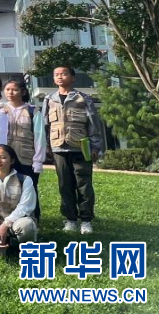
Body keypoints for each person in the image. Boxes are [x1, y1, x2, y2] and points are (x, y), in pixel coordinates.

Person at [43, 65, 105, 234]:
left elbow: (93, 125)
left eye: (63, 74)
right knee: (65, 185)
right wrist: (47, 147)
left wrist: (95, 147)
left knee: (84, 185)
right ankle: (70, 219)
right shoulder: (49, 99)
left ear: (73, 77)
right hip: (58, 148)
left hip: (81, 147)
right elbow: (45, 126)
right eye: (56, 74)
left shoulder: (83, 98)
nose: (59, 77)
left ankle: (86, 220)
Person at [0, 144, 39, 257]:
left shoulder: (25, 179)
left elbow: (25, 207)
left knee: (26, 226)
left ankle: (23, 246)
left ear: (12, 160)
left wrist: (5, 225)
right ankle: (4, 240)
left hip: (18, 220)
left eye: (3, 157)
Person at [2, 79, 45, 219]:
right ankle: (7, 219)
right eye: (7, 89)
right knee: (7, 189)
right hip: (5, 158)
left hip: (26, 156)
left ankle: (32, 219)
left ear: (23, 91)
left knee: (29, 189)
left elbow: (39, 136)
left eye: (14, 89)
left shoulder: (33, 111)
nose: (10, 92)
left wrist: (38, 160)